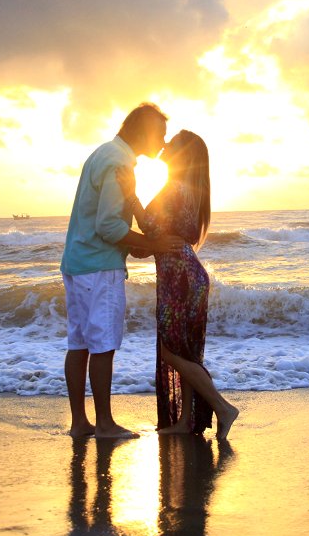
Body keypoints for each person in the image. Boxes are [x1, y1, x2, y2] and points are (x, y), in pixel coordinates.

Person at [61, 103, 185, 439]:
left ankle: (79, 423)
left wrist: (140, 241)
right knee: (102, 345)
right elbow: (108, 226)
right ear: (143, 131)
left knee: (80, 343)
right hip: (99, 266)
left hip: (76, 262)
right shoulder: (120, 163)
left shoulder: (103, 153)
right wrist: (154, 245)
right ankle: (104, 424)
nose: (162, 141)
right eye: (159, 134)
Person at [117, 130, 239, 440]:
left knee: (172, 352)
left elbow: (152, 225)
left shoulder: (177, 186)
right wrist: (142, 243)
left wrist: (130, 196)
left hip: (181, 278)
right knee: (184, 351)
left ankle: (223, 408)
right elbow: (159, 235)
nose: (166, 145)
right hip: (185, 276)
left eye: (172, 143)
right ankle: (186, 421)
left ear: (182, 153)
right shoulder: (187, 187)